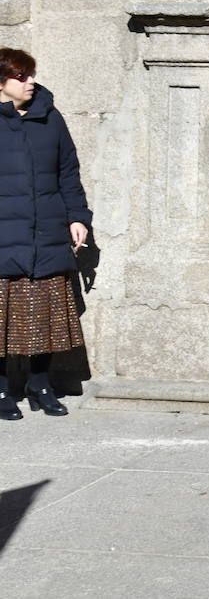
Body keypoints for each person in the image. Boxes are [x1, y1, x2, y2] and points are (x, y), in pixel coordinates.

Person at [0, 48, 91, 420]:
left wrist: (78, 216)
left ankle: (40, 385)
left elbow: (68, 172)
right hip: (5, 235)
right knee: (2, 319)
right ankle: (3, 388)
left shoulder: (50, 119)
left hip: (47, 233)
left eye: (32, 74)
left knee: (45, 318)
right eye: (21, 76)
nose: (30, 82)